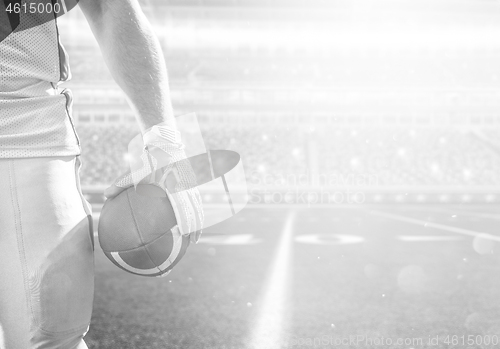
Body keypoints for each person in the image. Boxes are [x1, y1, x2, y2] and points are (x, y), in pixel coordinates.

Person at [0, 0, 202, 348]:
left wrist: (165, 143)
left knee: (49, 339)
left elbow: (109, 5)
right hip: (27, 139)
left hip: (24, 136)